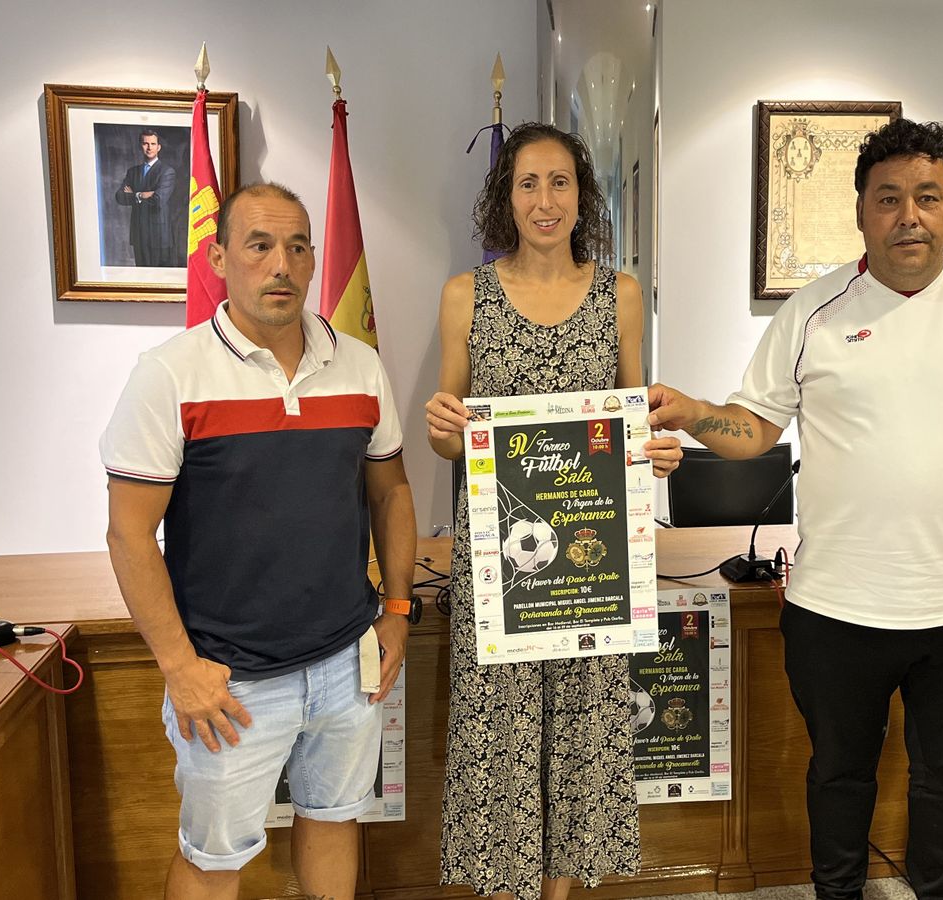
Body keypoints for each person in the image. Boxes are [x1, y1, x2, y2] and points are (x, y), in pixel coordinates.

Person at [648, 119, 943, 900]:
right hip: (835, 610)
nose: (909, 215)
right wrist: (689, 412)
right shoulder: (812, 313)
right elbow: (754, 428)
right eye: (888, 198)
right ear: (860, 212)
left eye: (928, 197)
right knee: (839, 780)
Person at [100, 182, 416, 900]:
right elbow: (128, 534)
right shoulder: (170, 374)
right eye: (260, 246)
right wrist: (179, 667)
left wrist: (397, 611)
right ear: (219, 259)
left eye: (298, 248)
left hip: (346, 661)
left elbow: (391, 492)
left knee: (334, 820)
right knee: (214, 860)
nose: (282, 264)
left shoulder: (359, 365)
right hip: (228, 678)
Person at [424, 122, 683, 900]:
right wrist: (442, 428)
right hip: (498, 569)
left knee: (581, 738)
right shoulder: (465, 295)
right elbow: (450, 438)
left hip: (592, 568)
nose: (545, 200)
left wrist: (655, 450)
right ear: (506, 198)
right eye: (528, 183)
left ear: (582, 195)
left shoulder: (619, 295)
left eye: (560, 182)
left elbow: (632, 419)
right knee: (499, 741)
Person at [115, 128, 181, 267]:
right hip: (139, 234)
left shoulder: (167, 172)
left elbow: (158, 200)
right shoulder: (132, 172)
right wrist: (141, 195)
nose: (149, 147)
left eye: (153, 144)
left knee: (159, 276)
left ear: (159, 147)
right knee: (141, 275)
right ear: (141, 146)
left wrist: (133, 194)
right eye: (145, 143)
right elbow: (119, 196)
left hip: (159, 235)